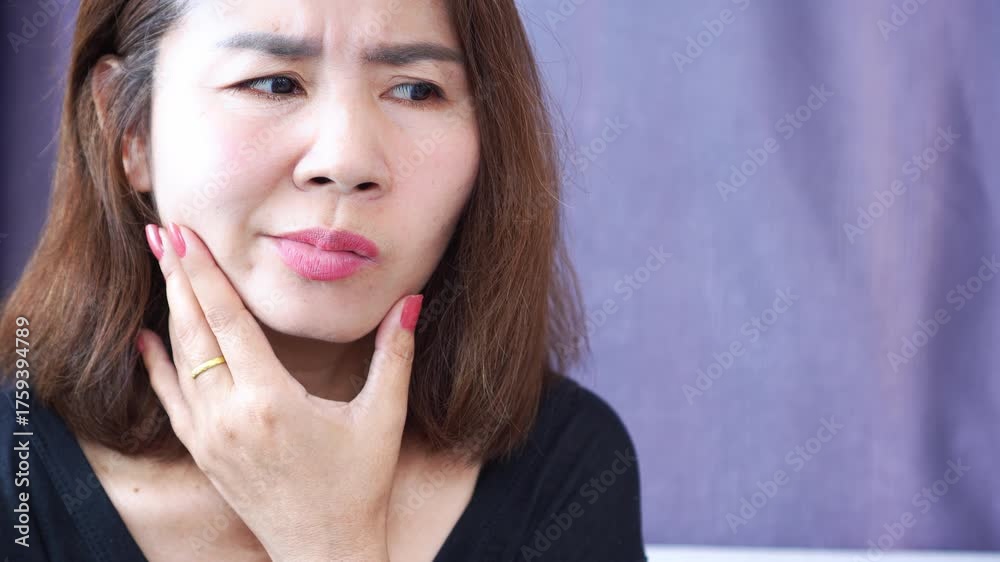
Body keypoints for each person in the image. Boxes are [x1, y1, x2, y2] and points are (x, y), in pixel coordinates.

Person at [0, 0, 646, 560]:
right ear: (129, 130)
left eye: (416, 91)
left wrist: (328, 538)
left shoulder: (565, 463)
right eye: (274, 83)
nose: (346, 159)